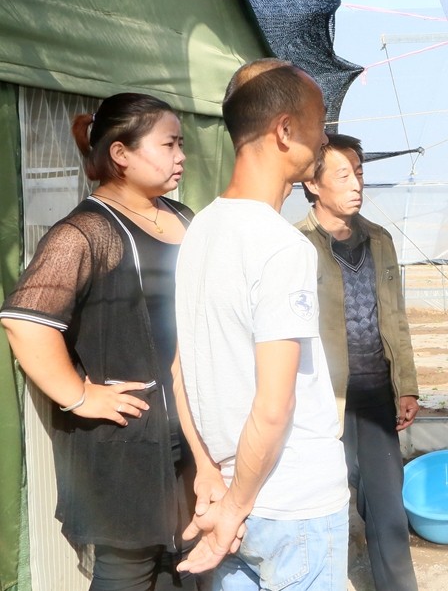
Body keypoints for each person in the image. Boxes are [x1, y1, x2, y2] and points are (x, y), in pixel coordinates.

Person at [0, 93, 195, 590]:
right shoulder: (87, 231)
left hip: (189, 434)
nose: (181, 156)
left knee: (182, 570)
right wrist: (80, 396)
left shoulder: (183, 217)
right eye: (169, 144)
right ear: (121, 154)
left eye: (182, 144)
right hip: (127, 441)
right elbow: (26, 321)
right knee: (128, 571)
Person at [173, 58, 350, 590]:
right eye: (320, 122)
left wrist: (210, 473)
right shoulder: (281, 246)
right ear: (285, 130)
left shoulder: (199, 230)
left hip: (234, 495)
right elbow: (275, 406)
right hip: (295, 504)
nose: (325, 138)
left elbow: (181, 370)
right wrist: (233, 507)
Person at [297, 134, 420, 591]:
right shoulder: (296, 245)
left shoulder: (379, 240)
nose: (356, 184)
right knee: (320, 504)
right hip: (321, 401)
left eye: (360, 173)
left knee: (388, 509)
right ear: (312, 184)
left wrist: (406, 385)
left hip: (375, 398)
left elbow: (396, 317)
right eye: (343, 175)